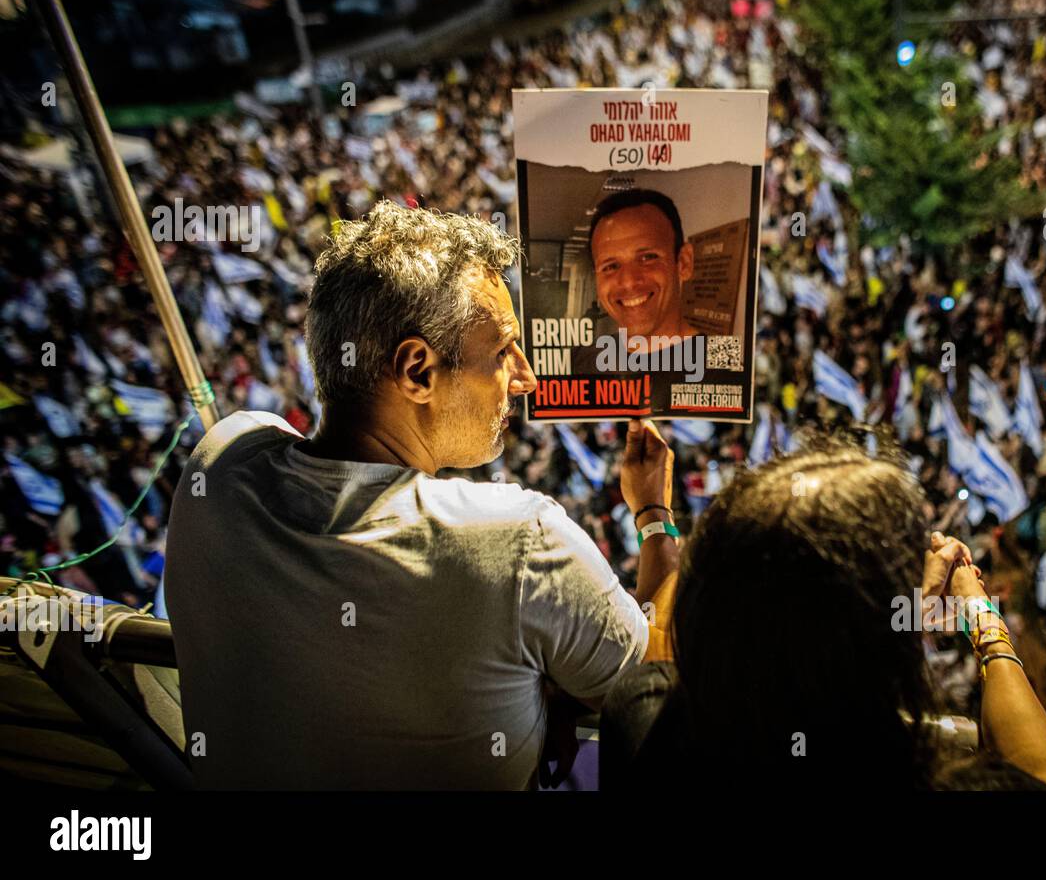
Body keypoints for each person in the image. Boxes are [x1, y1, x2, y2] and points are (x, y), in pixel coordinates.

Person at [164, 201, 679, 789]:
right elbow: (657, 700)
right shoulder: (523, 544)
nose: (526, 375)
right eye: (502, 349)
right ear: (417, 371)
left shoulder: (221, 461)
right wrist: (654, 515)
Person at [599, 433, 1046, 790]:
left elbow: (668, 634)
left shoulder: (651, 723)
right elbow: (1045, 775)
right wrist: (979, 615)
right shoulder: (930, 778)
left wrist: (654, 514)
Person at [587, 189, 701, 343]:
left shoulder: (725, 359)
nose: (628, 281)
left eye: (648, 258)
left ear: (683, 263)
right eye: (611, 266)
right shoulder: (584, 356)